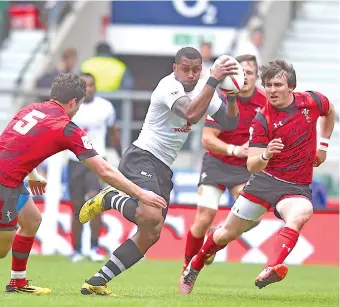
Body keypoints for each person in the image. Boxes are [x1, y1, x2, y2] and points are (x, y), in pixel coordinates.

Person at [78, 47, 240, 296]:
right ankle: (109, 197)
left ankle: (98, 280)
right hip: (142, 157)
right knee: (151, 216)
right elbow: (191, 113)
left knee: (151, 234)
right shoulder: (168, 86)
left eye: (196, 70)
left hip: (162, 167)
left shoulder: (204, 89)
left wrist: (230, 96)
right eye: (185, 69)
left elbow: (230, 123)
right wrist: (214, 79)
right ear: (175, 68)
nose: (191, 74)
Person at [179, 59, 335, 294]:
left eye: (277, 85)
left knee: (302, 213)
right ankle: (195, 264)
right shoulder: (263, 119)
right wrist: (265, 154)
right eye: (269, 85)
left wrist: (322, 146)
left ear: (291, 86)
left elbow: (330, 110)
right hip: (264, 182)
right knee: (224, 234)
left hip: (296, 186)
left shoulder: (311, 101)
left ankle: (271, 267)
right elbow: (252, 165)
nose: (272, 90)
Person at [0, 73, 166, 294]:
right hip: (5, 183)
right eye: (79, 104)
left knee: (31, 221)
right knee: (2, 249)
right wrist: (142, 194)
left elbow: (11, 144)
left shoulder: (32, 109)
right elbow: (104, 170)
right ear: (72, 102)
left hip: (12, 176)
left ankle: (17, 282)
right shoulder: (66, 127)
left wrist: (32, 174)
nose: (78, 109)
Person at [183, 54, 266, 271]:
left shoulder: (266, 102)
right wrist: (236, 150)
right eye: (242, 72)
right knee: (204, 217)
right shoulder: (221, 99)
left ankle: (213, 239)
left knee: (253, 217)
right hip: (217, 163)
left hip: (243, 168)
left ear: (257, 76)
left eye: (249, 72)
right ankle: (188, 268)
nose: (245, 77)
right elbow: (207, 140)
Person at [68, 72, 121, 262]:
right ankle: (76, 250)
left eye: (91, 85)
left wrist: (121, 156)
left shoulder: (105, 107)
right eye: (84, 85)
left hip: (97, 160)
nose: (88, 89)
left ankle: (94, 246)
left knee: (94, 203)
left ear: (96, 87)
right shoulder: (71, 106)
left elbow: (114, 132)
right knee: (76, 208)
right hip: (74, 161)